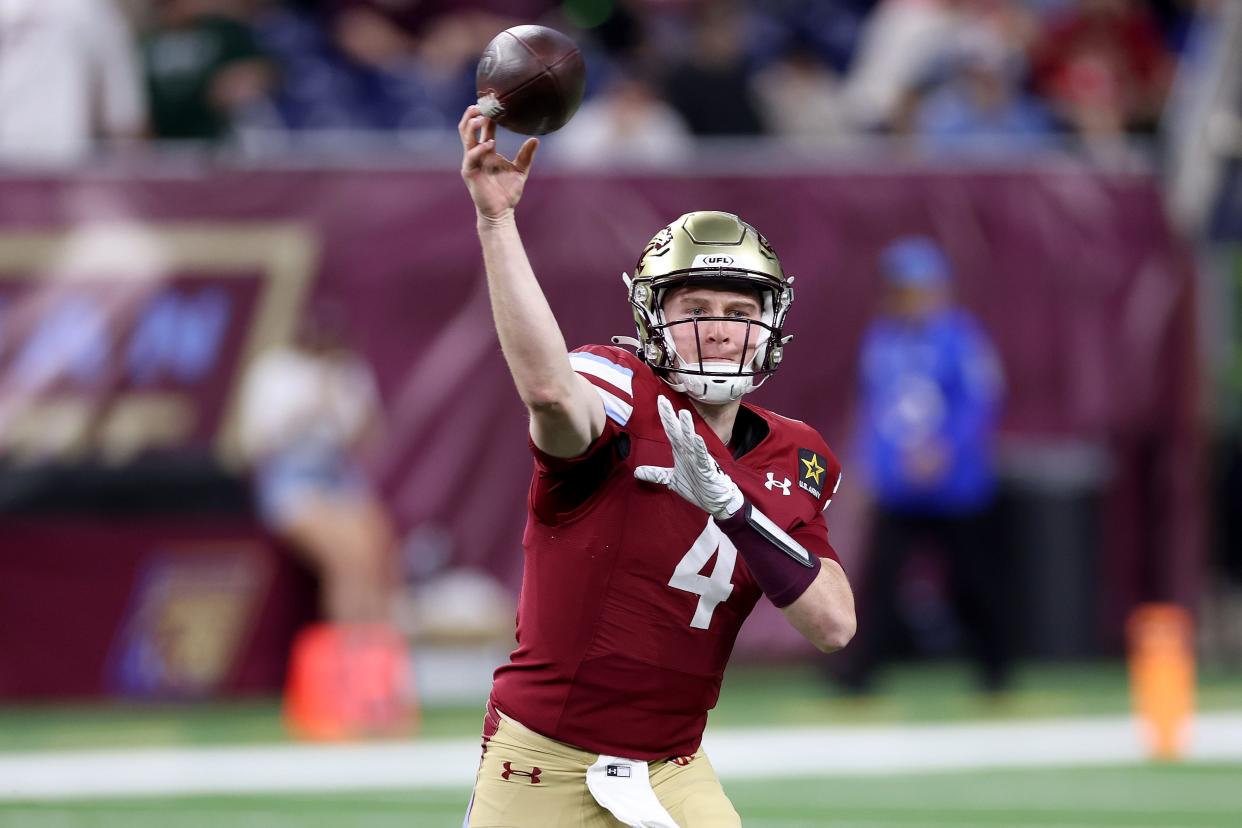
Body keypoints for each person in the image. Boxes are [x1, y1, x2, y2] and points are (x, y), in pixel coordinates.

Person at [457, 104, 856, 827]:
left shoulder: (795, 452)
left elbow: (833, 624)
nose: (717, 328)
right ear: (652, 320)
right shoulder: (617, 389)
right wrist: (496, 224)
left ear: (769, 326)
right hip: (544, 760)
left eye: (738, 310)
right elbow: (550, 391)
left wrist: (734, 508)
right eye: (693, 306)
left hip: (674, 764)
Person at [837, 237, 1009, 696]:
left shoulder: (961, 338)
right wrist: (868, 466)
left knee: (972, 579)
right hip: (900, 485)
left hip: (956, 486)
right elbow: (876, 409)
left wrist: (945, 450)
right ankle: (859, 675)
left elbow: (980, 403)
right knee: (881, 579)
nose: (905, 298)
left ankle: (996, 671)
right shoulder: (882, 339)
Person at [237, 306, 397, 626]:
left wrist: (344, 405)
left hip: (339, 477)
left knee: (379, 556)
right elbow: (252, 445)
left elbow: (369, 440)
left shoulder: (348, 370)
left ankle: (379, 649)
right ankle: (348, 654)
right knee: (347, 561)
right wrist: (307, 407)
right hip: (292, 480)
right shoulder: (274, 371)